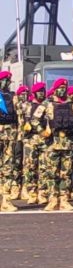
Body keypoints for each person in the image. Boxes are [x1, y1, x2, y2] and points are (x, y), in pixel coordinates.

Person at [41, 78, 73, 211]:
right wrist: (43, 132)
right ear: (55, 89)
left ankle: (64, 199)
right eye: (60, 87)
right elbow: (34, 120)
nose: (62, 90)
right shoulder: (47, 104)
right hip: (52, 143)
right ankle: (52, 199)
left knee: (66, 173)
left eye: (64, 87)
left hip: (67, 143)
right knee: (51, 173)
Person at [0, 71, 19, 210]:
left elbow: (19, 116)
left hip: (10, 135)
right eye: (5, 80)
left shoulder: (13, 97)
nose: (7, 83)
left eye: (8, 80)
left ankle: (5, 200)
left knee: (7, 168)